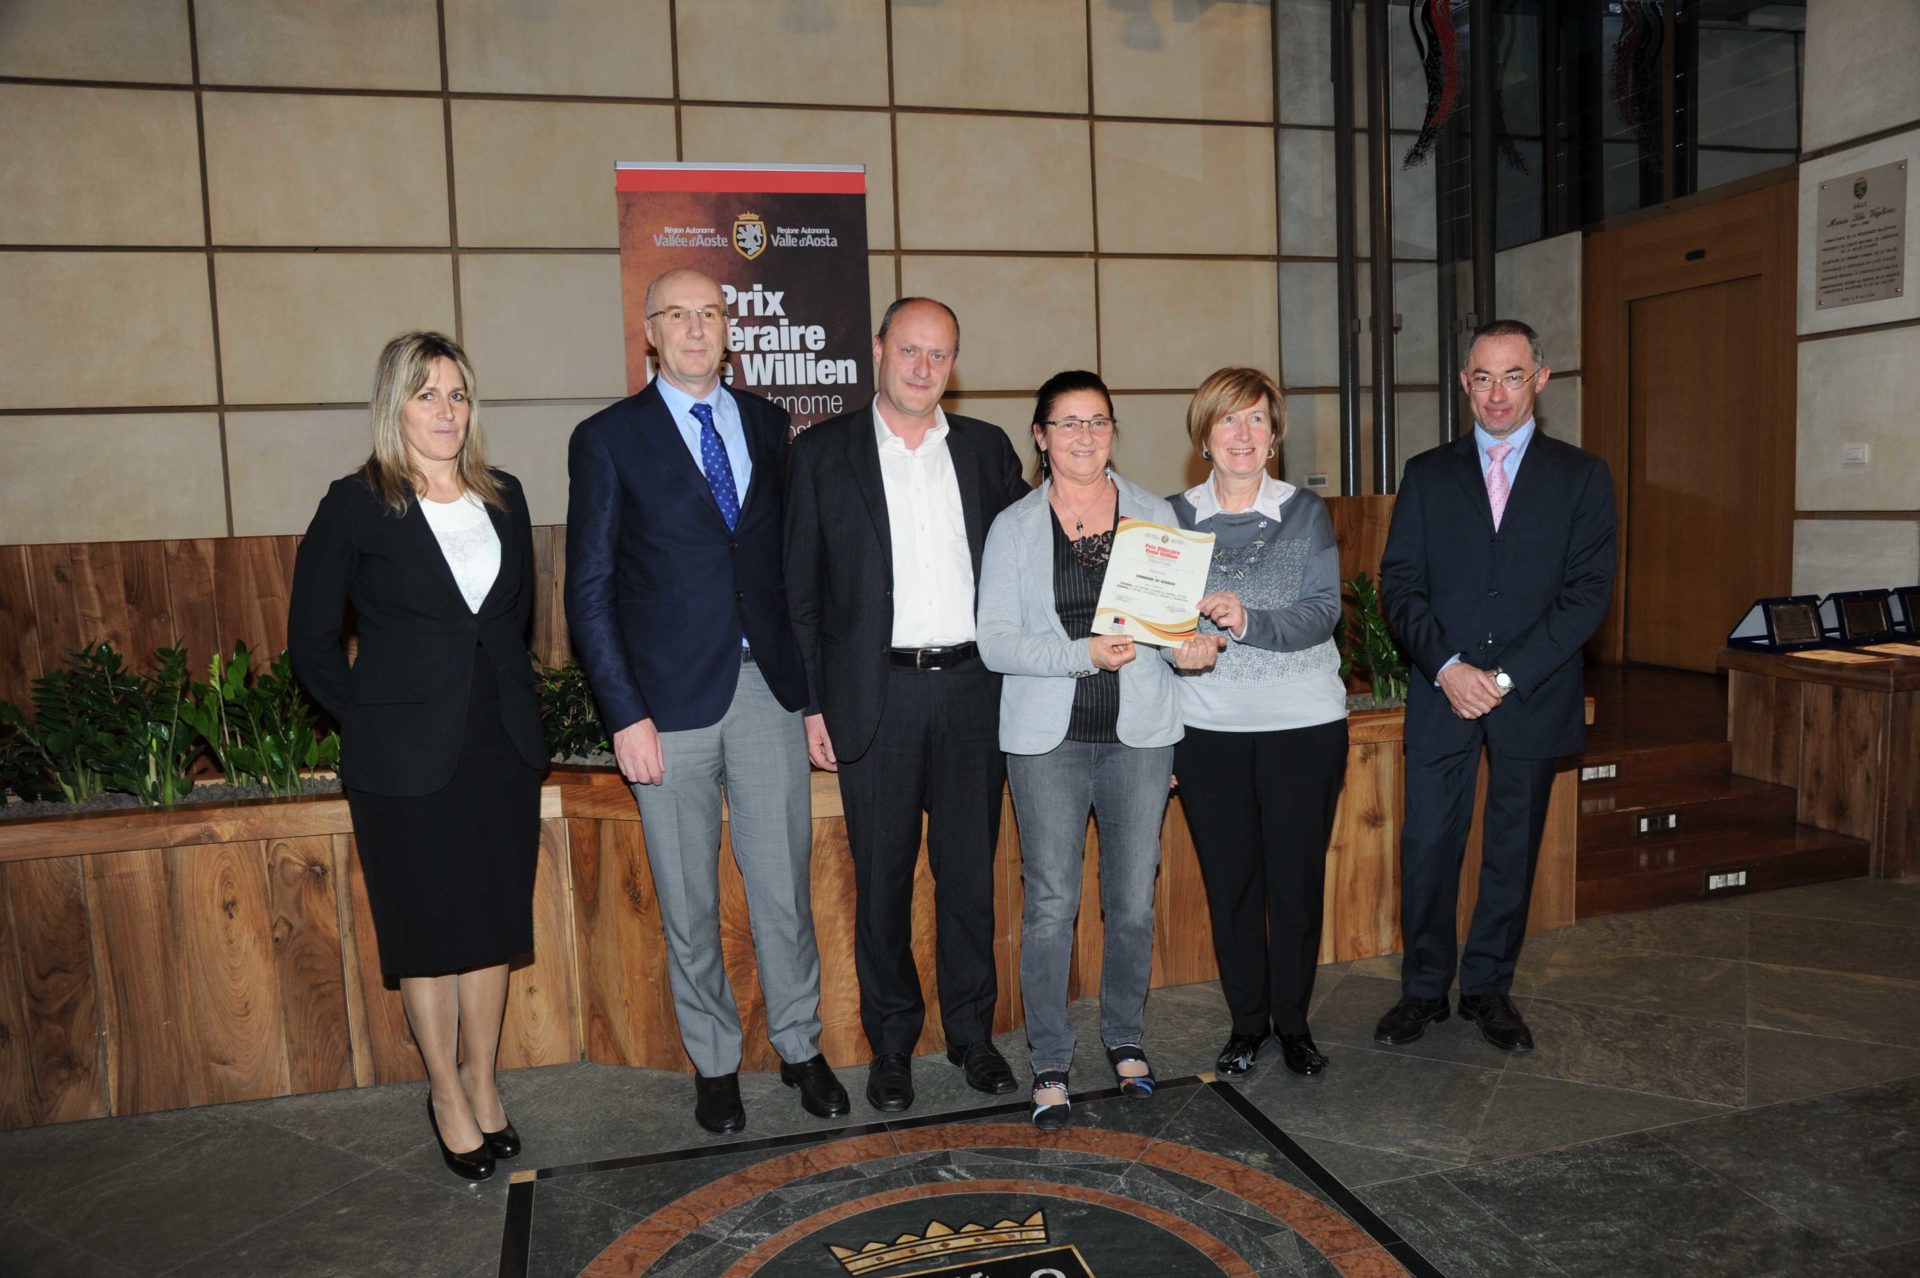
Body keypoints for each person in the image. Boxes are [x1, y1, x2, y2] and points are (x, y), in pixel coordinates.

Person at [564, 267, 848, 1133]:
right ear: (650, 332)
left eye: (710, 314)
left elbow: (788, 573)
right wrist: (624, 713)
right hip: (666, 707)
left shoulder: (767, 424)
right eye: (677, 315)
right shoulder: (607, 437)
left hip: (767, 691)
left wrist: (811, 699)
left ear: (730, 329)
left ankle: (799, 1047)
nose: (695, 328)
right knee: (688, 902)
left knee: (783, 889)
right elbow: (589, 589)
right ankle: (715, 1064)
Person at [289, 332, 547, 1182]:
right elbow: (310, 640)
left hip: (500, 746)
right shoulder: (356, 504)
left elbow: (509, 625)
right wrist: (372, 719)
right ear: (394, 406)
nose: (446, 410)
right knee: (429, 931)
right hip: (402, 760)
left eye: (458, 394)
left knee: (491, 927)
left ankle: (484, 1079)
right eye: (427, 393)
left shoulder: (504, 496)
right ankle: (444, 1091)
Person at [785, 298, 1029, 1113]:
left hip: (972, 691)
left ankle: (971, 1035)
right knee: (883, 880)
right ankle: (891, 1046)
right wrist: (813, 706)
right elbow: (801, 597)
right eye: (910, 350)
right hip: (874, 695)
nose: (924, 368)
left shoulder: (988, 450)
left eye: (940, 354)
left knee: (969, 878)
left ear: (953, 364)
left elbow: (1029, 564)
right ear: (880, 349)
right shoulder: (822, 454)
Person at [976, 370, 1223, 1131]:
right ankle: (1050, 1060)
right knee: (1051, 905)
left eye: (1099, 422)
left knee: (1133, 902)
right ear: (1041, 436)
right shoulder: (1013, 527)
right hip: (1046, 743)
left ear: (1114, 432)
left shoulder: (1155, 516)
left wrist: (1192, 649)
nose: (1085, 436)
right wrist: (1082, 653)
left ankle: (1125, 1039)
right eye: (1069, 423)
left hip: (1138, 738)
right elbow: (995, 643)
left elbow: (1175, 627)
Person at [1374, 319, 1617, 1055]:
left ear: (1541, 379)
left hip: (1531, 693)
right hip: (1441, 689)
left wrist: (1504, 677)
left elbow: (1587, 596)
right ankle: (1424, 989)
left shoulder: (1582, 476)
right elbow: (1400, 585)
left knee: (1512, 849)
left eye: (1513, 376)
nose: (1498, 393)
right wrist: (1448, 668)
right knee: (1427, 844)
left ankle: (1487, 989)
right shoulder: (1427, 473)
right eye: (1483, 378)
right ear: (1464, 384)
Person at [1168, 367, 1349, 1081]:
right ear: (1204, 434)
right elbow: (1150, 624)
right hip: (1206, 730)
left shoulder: (1305, 511)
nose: (1242, 434)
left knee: (1294, 885)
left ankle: (1294, 1024)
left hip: (1303, 726)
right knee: (1232, 884)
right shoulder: (1171, 517)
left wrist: (1248, 621)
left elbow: (1322, 612)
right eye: (1227, 419)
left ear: (1274, 436)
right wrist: (1178, 648)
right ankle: (1247, 1024)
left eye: (1256, 420)